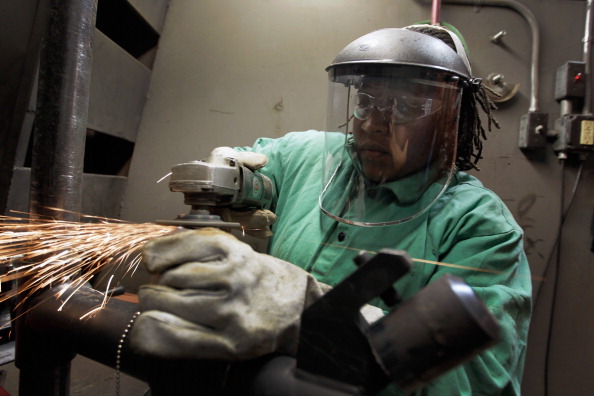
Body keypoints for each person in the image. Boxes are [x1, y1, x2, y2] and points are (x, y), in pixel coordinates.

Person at [130, 24, 532, 396]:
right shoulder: (308, 154)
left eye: (406, 107)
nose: (374, 123)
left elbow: (473, 381)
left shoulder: (480, 227)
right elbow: (258, 167)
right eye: (367, 101)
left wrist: (309, 318)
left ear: (450, 119)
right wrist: (232, 178)